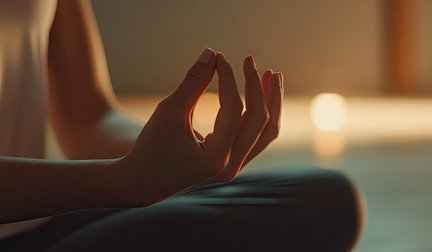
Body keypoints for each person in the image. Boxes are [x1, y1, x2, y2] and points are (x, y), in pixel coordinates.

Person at [0, 0, 366, 251]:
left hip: (39, 228)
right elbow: (120, 179)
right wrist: (121, 182)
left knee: (324, 200)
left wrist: (183, 154)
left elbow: (88, 119)